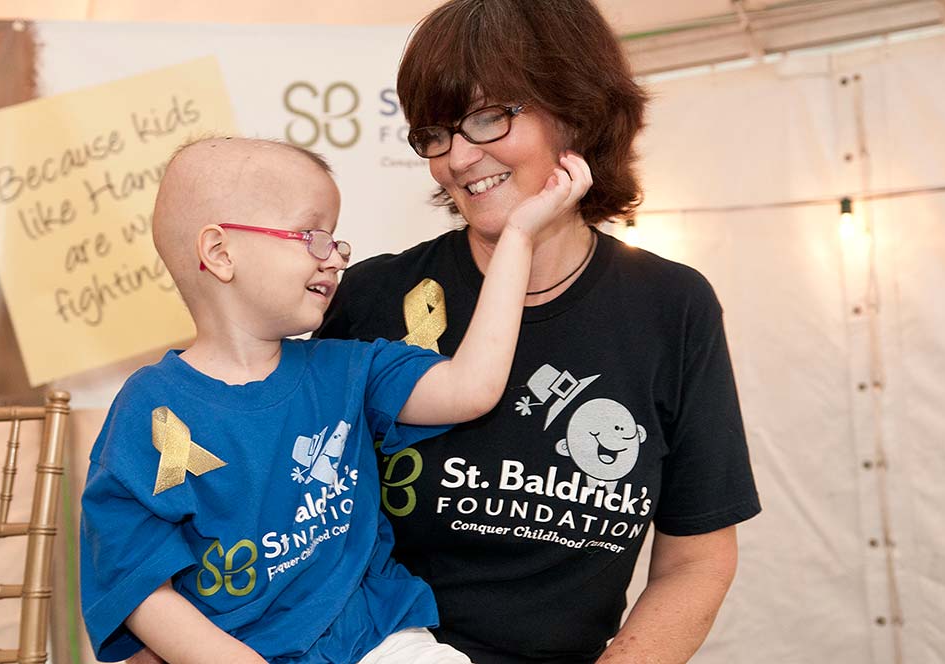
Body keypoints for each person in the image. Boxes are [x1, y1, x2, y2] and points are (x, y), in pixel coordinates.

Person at [314, 1, 762, 663]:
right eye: (434, 133)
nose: (458, 158)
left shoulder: (672, 307)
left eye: (487, 116)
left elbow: (696, 560)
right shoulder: (371, 301)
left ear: (573, 107)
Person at [79, 136, 591, 664]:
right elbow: (135, 581)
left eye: (336, 240)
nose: (336, 258)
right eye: (312, 236)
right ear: (220, 253)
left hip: (380, 640)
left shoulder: (348, 368)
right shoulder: (151, 409)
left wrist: (518, 237)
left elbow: (473, 387)